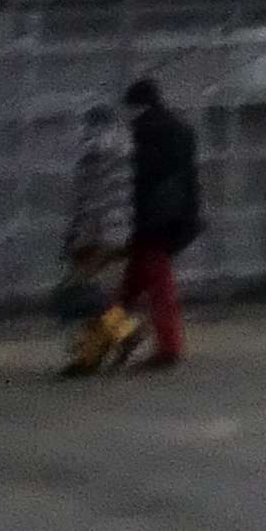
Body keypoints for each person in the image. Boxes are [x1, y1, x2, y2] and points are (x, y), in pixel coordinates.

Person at [119, 76, 201, 370]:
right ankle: (116, 333)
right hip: (177, 218)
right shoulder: (181, 130)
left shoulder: (144, 133)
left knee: (154, 285)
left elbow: (140, 181)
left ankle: (167, 347)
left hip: (152, 221)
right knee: (136, 281)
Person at [56, 99, 136, 375]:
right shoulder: (126, 151)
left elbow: (88, 202)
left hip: (97, 233)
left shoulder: (93, 154)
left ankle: (124, 331)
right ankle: (89, 355)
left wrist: (75, 238)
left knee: (77, 289)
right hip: (120, 233)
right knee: (93, 290)